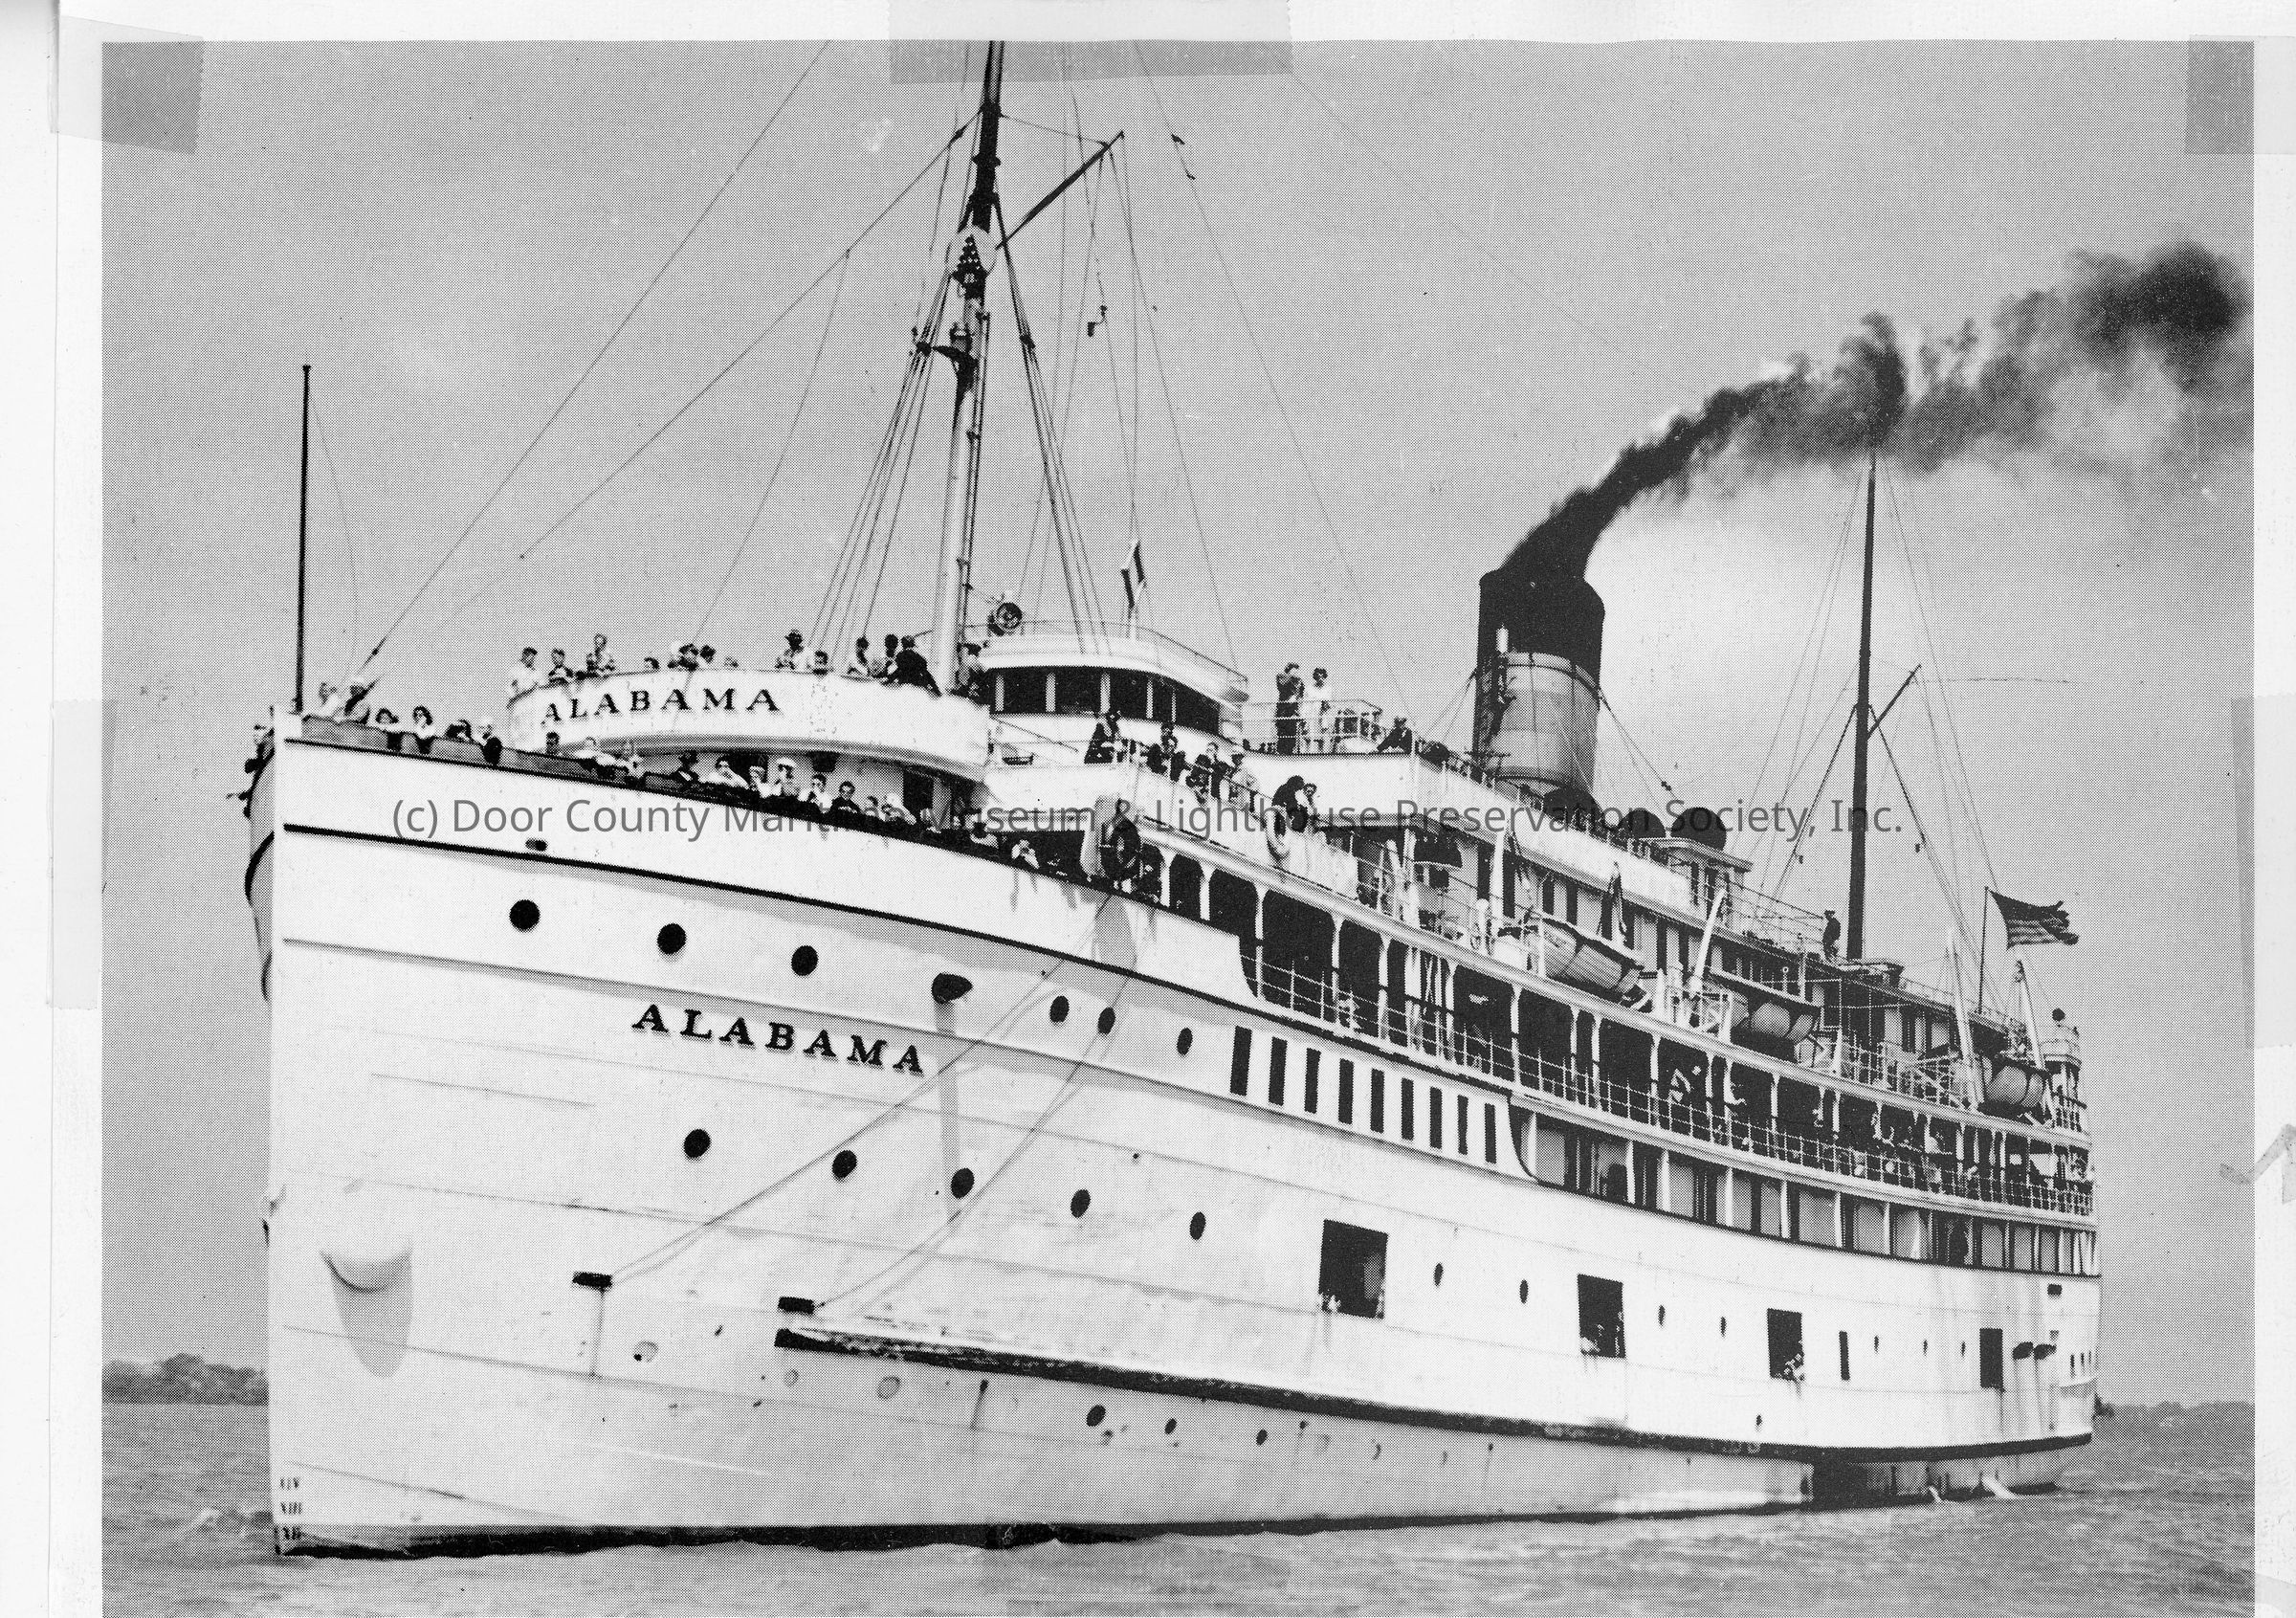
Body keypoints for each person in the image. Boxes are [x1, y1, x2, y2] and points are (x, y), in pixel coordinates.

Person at [1273, 662, 1303, 754]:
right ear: (1289, 670)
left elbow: (1301, 694)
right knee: (1282, 732)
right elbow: (1281, 686)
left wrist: (1298, 703)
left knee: (1292, 733)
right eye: (1294, 670)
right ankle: (1281, 751)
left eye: (1297, 671)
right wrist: (1291, 676)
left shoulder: (1299, 681)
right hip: (1283, 710)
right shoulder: (1281, 677)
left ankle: (1290, 751)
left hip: (1293, 710)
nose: (1296, 673)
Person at [1308, 666, 1333, 750]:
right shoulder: (1310, 688)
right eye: (1318, 676)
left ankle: (1325, 753)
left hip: (1325, 715)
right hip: (1313, 715)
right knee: (1313, 737)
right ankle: (1312, 754)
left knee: (1325, 736)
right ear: (1316, 677)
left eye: (1322, 676)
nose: (1320, 679)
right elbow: (1307, 703)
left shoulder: (1328, 688)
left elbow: (1330, 703)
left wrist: (1326, 705)